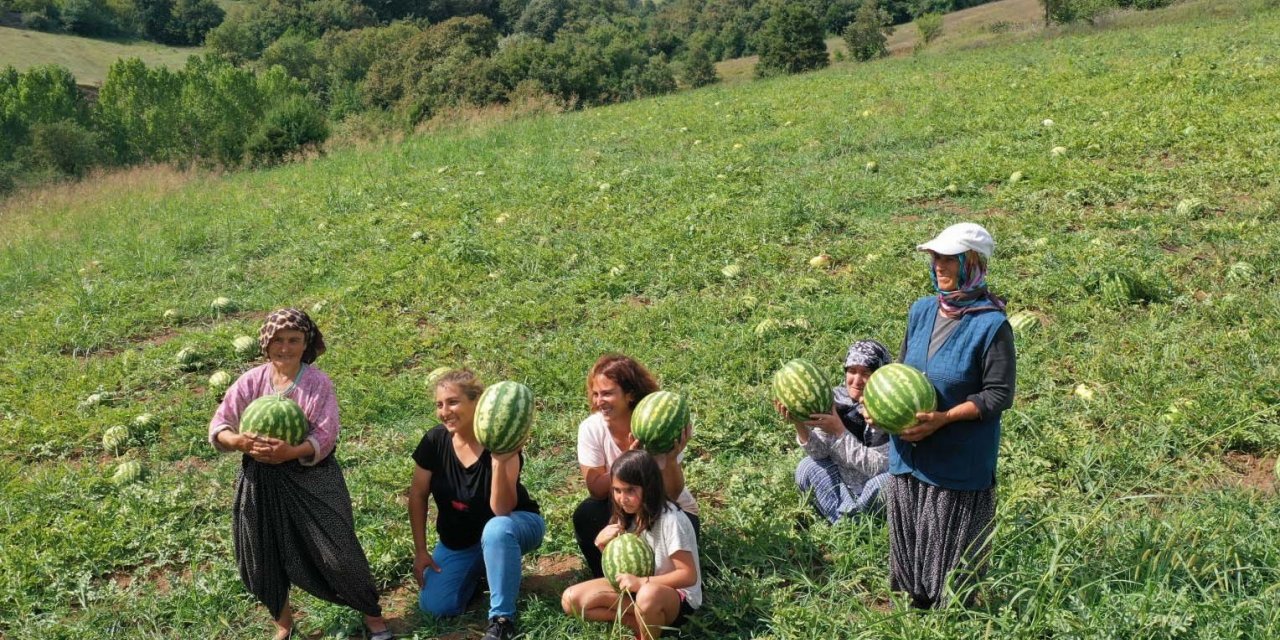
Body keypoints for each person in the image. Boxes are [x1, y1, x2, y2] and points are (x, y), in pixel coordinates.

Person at [208, 308, 391, 640]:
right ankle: (283, 624)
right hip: (259, 480)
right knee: (263, 554)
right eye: (278, 340)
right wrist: (238, 441)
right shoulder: (251, 381)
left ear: (306, 343)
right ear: (266, 343)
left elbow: (326, 433)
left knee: (338, 552)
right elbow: (220, 424)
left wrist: (291, 451)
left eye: (294, 340)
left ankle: (373, 616)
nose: (285, 348)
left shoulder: (317, 383)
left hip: (311, 478)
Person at [880, 222, 1015, 609]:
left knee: (949, 578)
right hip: (907, 456)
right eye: (935, 257)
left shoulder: (992, 325)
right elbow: (901, 370)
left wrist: (944, 418)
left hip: (956, 463)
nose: (938, 265)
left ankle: (953, 621)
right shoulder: (921, 310)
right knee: (910, 569)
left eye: (948, 258)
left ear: (970, 262)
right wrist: (879, 409)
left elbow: (998, 395)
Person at [408, 369, 544, 640]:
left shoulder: (504, 442)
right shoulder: (435, 441)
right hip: (459, 542)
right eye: (439, 404)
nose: (445, 411)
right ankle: (489, 569)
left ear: (477, 403)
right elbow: (417, 494)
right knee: (436, 605)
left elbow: (502, 510)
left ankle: (501, 619)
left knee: (496, 529)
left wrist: (499, 460)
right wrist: (421, 550)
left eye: (453, 402)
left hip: (514, 526)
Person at [574, 354, 698, 579]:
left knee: (669, 534)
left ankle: (660, 582)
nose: (598, 401)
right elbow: (596, 489)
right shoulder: (591, 429)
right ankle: (606, 578)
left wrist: (670, 461)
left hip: (666, 509)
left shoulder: (656, 426)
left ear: (629, 395)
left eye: (607, 393)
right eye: (595, 394)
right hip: (624, 508)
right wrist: (628, 457)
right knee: (587, 514)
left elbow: (671, 493)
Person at [561, 451, 702, 639]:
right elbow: (619, 569)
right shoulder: (626, 515)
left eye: (630, 490)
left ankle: (647, 633)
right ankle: (639, 622)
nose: (622, 498)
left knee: (648, 595)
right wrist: (602, 545)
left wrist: (642, 583)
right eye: (617, 490)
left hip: (674, 598)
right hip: (638, 589)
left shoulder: (671, 520)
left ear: (649, 487)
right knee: (571, 599)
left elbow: (688, 575)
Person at [777, 339, 893, 523]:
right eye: (852, 371)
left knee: (889, 483)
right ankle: (847, 521)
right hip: (843, 488)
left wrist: (839, 431)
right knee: (807, 467)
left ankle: (847, 522)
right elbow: (819, 453)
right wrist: (798, 423)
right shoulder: (835, 401)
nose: (856, 380)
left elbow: (877, 468)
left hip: (872, 491)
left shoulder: (891, 409)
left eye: (866, 373)